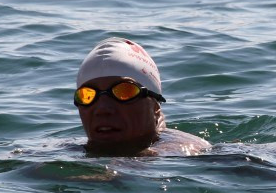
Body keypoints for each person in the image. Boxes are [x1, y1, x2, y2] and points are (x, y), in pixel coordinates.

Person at [74, 37, 211, 156]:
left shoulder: (183, 146)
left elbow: (165, 156)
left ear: (155, 108)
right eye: (87, 95)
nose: (102, 109)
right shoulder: (66, 148)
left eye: (124, 92)